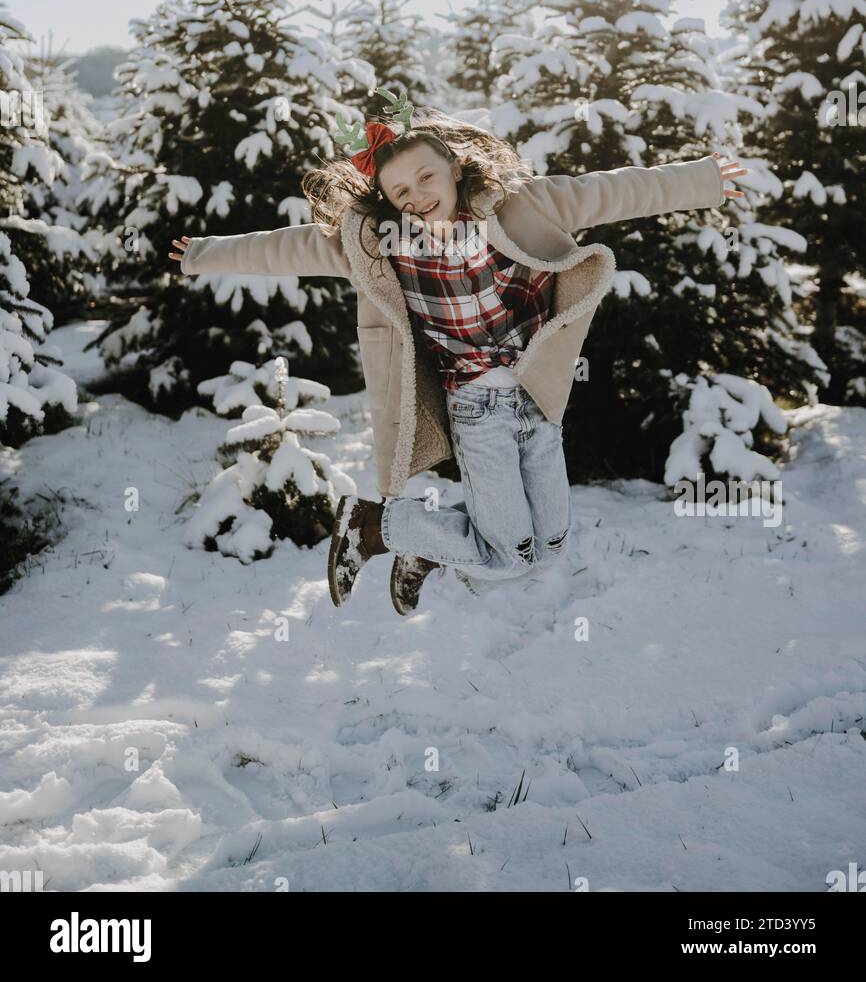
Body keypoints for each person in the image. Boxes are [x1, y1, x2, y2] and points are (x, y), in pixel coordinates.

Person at [169, 86, 746, 616]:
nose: (418, 197)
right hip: (477, 412)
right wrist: (201, 254)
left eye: (426, 178)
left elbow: (611, 191)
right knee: (509, 555)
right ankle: (376, 527)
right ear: (388, 201)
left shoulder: (519, 205)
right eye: (401, 191)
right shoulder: (377, 245)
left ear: (452, 166)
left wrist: (704, 180)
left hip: (536, 398)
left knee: (547, 546)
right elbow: (285, 250)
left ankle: (427, 547)